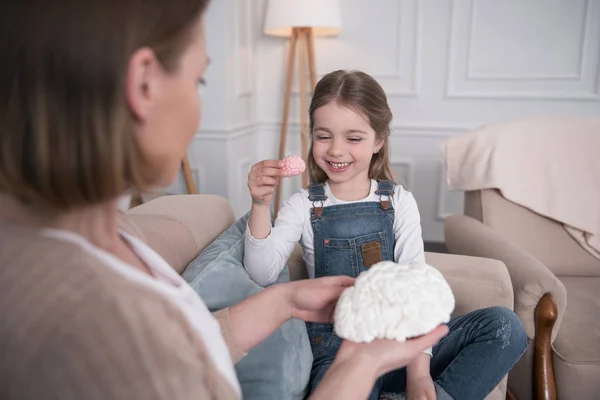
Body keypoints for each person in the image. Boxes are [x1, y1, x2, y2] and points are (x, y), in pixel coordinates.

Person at [0, 2, 451, 400]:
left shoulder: (106, 234)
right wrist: (359, 365)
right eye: (200, 80)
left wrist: (283, 302)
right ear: (143, 85)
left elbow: (173, 353)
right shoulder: (89, 310)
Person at [244, 70, 528, 400]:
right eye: (324, 136)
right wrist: (260, 204)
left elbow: (416, 285)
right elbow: (260, 273)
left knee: (505, 327)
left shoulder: (398, 202)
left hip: (402, 345)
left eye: (353, 138)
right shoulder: (303, 205)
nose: (336, 150)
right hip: (340, 354)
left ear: (378, 140)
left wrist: (419, 373)